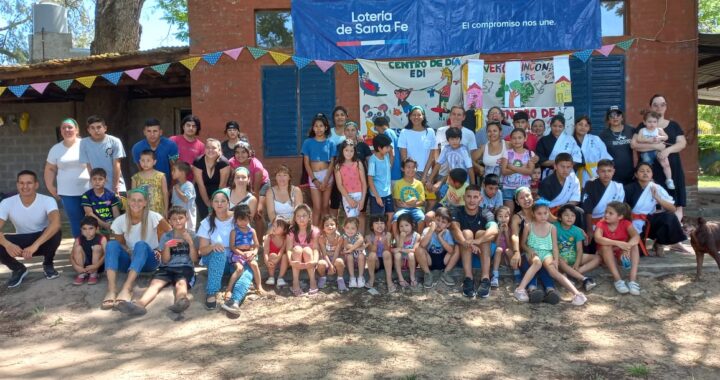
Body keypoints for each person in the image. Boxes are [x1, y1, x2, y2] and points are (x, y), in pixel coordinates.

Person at [116, 206, 198, 316]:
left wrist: (190, 243)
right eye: (174, 219)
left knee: (181, 283)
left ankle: (181, 300)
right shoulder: (166, 236)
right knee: (155, 284)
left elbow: (194, 259)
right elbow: (164, 260)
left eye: (180, 218)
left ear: (186, 218)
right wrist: (167, 247)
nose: (178, 221)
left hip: (185, 267)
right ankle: (140, 304)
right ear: (169, 221)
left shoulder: (192, 235)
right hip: (167, 267)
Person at [103, 188, 171, 309]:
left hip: (150, 261)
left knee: (141, 244)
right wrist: (129, 251)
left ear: (145, 203)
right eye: (133, 200)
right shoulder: (120, 221)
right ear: (128, 201)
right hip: (130, 259)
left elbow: (170, 234)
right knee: (111, 244)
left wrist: (160, 250)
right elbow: (121, 244)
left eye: (140, 200)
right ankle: (111, 289)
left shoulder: (154, 217)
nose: (136, 203)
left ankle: (127, 288)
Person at [516, 202, 587, 306]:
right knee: (537, 263)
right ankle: (520, 289)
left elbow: (554, 246)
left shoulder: (552, 228)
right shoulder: (528, 226)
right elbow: (522, 244)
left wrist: (556, 260)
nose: (543, 216)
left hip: (547, 253)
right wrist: (529, 250)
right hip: (533, 251)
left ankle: (577, 294)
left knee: (553, 271)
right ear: (533, 213)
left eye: (545, 213)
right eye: (539, 213)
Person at [0, 170, 62, 288]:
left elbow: (56, 223)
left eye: (29, 183)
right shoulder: (6, 203)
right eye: (21, 183)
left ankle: (48, 264)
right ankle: (18, 269)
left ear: (36, 185)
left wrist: (35, 245)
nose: (25, 186)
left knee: (56, 231)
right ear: (17, 185)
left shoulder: (47, 200)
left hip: (42, 241)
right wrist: (7, 244)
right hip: (20, 244)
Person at [632, 94, 687, 221]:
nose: (659, 107)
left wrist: (667, 150)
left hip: (671, 170)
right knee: (653, 204)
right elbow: (634, 145)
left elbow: (682, 143)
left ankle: (675, 234)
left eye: (662, 104)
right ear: (650, 107)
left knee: (676, 204)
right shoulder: (643, 125)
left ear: (666, 107)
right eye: (655, 105)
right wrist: (656, 146)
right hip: (650, 171)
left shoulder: (674, 125)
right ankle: (657, 236)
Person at [198, 189, 253, 311]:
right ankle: (212, 292)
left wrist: (251, 252)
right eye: (216, 201)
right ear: (212, 204)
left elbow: (250, 239)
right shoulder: (207, 223)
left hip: (235, 259)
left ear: (228, 203)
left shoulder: (238, 218)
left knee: (248, 272)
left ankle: (235, 300)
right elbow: (201, 251)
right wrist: (213, 246)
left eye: (223, 201)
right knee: (219, 252)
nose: (219, 204)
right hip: (215, 260)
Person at [624, 162, 686, 257]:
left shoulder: (656, 188)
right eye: (642, 171)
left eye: (648, 171)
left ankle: (659, 243)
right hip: (631, 223)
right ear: (636, 174)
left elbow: (673, 209)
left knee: (670, 217)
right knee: (638, 254)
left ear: (652, 174)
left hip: (649, 221)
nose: (645, 173)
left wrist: (658, 199)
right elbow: (622, 209)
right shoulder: (628, 188)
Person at [509, 187, 558, 304]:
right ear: (517, 202)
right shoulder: (517, 217)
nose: (526, 199)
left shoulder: (541, 210)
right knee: (530, 260)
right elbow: (515, 235)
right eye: (521, 198)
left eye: (528, 195)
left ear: (532, 196)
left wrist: (578, 229)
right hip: (524, 250)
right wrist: (516, 252)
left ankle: (550, 290)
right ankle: (532, 289)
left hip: (543, 249)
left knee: (545, 262)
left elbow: (557, 221)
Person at [450, 184, 499, 298]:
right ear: (464, 197)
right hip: (463, 254)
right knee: (466, 233)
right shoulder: (457, 211)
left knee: (482, 233)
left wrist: (477, 241)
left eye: (475, 197)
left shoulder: (486, 212)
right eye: (469, 197)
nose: (472, 200)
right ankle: (468, 278)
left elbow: (494, 230)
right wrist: (467, 242)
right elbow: (455, 229)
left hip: (483, 254)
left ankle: (485, 278)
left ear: (480, 198)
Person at [44, 118, 89, 238]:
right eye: (64, 128)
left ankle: (96, 249)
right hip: (67, 192)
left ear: (77, 129)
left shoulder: (86, 144)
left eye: (70, 127)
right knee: (75, 221)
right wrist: (50, 187)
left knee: (92, 220)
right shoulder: (56, 149)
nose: (67, 130)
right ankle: (79, 249)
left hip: (89, 190)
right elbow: (50, 169)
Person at [594, 201, 641, 295]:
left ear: (620, 217)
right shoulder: (601, 224)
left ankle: (632, 280)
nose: (606, 215)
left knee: (635, 246)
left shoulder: (626, 223)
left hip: (621, 255)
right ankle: (618, 280)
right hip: (605, 255)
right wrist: (618, 243)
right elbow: (598, 239)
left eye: (610, 213)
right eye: (606, 212)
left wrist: (627, 247)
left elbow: (636, 237)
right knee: (606, 246)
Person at [224, 205, 262, 314]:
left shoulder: (252, 231)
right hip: (237, 253)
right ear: (236, 219)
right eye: (240, 220)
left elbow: (256, 245)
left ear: (249, 219)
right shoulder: (234, 231)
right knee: (239, 269)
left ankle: (259, 286)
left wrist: (253, 252)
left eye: (246, 220)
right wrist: (241, 254)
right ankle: (229, 289)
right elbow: (232, 246)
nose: (243, 222)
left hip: (249, 252)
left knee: (254, 265)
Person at [582, 159, 625, 250]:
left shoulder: (618, 187)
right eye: (603, 171)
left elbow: (620, 210)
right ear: (597, 172)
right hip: (593, 223)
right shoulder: (590, 184)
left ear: (613, 171)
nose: (606, 174)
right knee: (590, 248)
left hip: (611, 222)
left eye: (609, 171)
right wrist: (589, 230)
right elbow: (587, 209)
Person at [553, 204, 599, 290]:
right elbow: (553, 246)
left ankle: (573, 273)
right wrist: (558, 257)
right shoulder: (554, 227)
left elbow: (579, 249)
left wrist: (577, 263)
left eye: (573, 216)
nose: (570, 218)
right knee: (558, 261)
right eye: (566, 215)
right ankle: (581, 278)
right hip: (560, 257)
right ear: (559, 217)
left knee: (598, 258)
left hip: (573, 256)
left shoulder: (577, 231)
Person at [399, 106, 437, 207]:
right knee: (412, 201)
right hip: (411, 174)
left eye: (419, 115)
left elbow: (432, 156)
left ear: (423, 116)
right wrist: (411, 174)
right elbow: (404, 157)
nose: (416, 117)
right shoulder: (404, 132)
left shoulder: (430, 132)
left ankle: (426, 221)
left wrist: (425, 175)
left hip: (427, 173)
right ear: (410, 117)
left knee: (430, 200)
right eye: (413, 115)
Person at [302, 113, 336, 226]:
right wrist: (314, 180)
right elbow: (306, 163)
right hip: (314, 176)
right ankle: (315, 234)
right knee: (317, 207)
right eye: (316, 126)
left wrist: (326, 179)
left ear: (326, 127)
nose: (318, 128)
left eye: (321, 126)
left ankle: (326, 233)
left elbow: (332, 163)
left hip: (327, 176)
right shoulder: (308, 142)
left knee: (325, 206)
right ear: (313, 128)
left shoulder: (330, 143)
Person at [79, 115, 127, 195]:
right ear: (88, 130)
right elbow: (88, 165)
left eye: (99, 127)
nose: (96, 130)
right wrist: (94, 184)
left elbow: (117, 164)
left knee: (118, 207)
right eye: (92, 128)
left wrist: (115, 186)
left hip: (116, 185)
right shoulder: (84, 143)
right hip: (97, 186)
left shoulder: (115, 141)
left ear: (105, 128)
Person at [415, 207, 459, 289]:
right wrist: (431, 230)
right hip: (429, 260)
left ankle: (446, 273)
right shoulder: (427, 230)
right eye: (438, 220)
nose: (439, 223)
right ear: (433, 219)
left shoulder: (447, 233)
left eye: (443, 222)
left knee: (457, 248)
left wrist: (440, 238)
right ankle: (428, 274)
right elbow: (422, 245)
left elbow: (451, 250)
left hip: (444, 260)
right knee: (418, 249)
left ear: (448, 225)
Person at [538, 153, 583, 227]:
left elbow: (575, 200)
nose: (565, 170)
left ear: (572, 167)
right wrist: (556, 218)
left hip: (564, 209)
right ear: (555, 166)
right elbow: (542, 205)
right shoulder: (547, 183)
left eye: (568, 167)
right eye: (562, 166)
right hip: (549, 212)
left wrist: (563, 210)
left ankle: (579, 236)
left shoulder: (573, 179)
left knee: (579, 211)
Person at [131, 118, 178, 189]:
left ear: (160, 132)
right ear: (144, 132)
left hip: (167, 185)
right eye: (149, 131)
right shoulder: (137, 148)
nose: (152, 134)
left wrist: (172, 188)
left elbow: (174, 168)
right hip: (147, 187)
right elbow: (141, 169)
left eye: (155, 131)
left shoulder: (171, 145)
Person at [193, 138, 231, 224]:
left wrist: (215, 202)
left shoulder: (224, 163)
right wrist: (208, 204)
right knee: (205, 217)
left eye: (213, 148)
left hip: (219, 190)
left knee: (218, 215)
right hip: (202, 191)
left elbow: (222, 185)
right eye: (208, 147)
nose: (210, 150)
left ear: (219, 150)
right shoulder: (198, 162)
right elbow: (200, 185)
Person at [228, 141, 270, 218]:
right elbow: (233, 181)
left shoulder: (257, 166)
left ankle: (260, 229)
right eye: (237, 152)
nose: (240, 155)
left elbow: (255, 190)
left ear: (249, 153)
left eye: (243, 152)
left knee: (258, 213)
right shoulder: (231, 162)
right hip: (244, 183)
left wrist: (256, 206)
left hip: (261, 185)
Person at [428, 127, 475, 193]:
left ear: (460, 139)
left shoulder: (464, 150)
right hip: (451, 181)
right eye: (452, 139)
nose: (454, 141)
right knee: (445, 196)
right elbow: (438, 164)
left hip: (464, 182)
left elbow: (470, 168)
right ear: (448, 140)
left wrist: (473, 186)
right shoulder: (446, 149)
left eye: (457, 139)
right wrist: (429, 180)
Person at [287, 204, 320, 297]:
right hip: (296, 258)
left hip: (309, 258)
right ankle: (295, 282)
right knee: (297, 249)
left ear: (309, 216)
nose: (301, 218)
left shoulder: (314, 230)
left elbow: (315, 248)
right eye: (298, 216)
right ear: (295, 217)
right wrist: (291, 261)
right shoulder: (291, 231)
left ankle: (313, 281)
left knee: (307, 250)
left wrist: (315, 261)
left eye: (304, 215)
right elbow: (289, 249)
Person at [501, 128, 537, 209]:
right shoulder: (507, 153)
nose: (517, 140)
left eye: (520, 138)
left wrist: (511, 166)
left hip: (524, 187)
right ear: (510, 139)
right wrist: (523, 167)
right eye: (514, 138)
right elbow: (503, 171)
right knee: (509, 212)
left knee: (526, 212)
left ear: (525, 138)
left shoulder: (530, 154)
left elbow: (530, 171)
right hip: (508, 187)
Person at [636, 111, 673, 189]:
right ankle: (650, 180)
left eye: (654, 122)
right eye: (649, 122)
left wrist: (660, 137)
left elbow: (666, 137)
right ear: (644, 122)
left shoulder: (659, 130)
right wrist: (648, 140)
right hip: (646, 151)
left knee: (665, 163)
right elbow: (639, 139)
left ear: (657, 122)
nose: (652, 124)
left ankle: (669, 179)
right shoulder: (642, 130)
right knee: (647, 166)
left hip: (658, 151)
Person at [599, 106, 635, 184]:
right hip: (612, 175)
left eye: (618, 115)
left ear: (622, 117)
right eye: (611, 115)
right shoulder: (603, 135)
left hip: (630, 175)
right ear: (608, 119)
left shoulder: (631, 130)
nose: (615, 117)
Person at [573, 116, 612, 187]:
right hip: (576, 173)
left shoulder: (596, 139)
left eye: (586, 125)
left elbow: (605, 157)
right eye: (580, 124)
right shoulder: (569, 140)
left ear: (589, 128)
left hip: (595, 172)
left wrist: (603, 173)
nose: (583, 127)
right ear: (575, 125)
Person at [81, 168, 121, 234]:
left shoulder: (111, 195)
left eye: (100, 179)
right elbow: (89, 213)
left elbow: (116, 212)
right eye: (94, 179)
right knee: (91, 226)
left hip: (109, 221)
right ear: (90, 180)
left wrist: (118, 224)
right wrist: (104, 225)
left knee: (117, 227)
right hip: (95, 222)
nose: (97, 181)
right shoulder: (86, 196)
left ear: (105, 180)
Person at [335, 140, 367, 219]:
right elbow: (339, 185)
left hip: (359, 195)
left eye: (351, 151)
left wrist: (362, 200)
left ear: (354, 152)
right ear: (342, 150)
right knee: (350, 219)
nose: (349, 153)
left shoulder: (358, 163)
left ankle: (359, 232)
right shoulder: (338, 166)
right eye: (346, 150)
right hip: (347, 195)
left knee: (359, 218)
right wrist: (348, 199)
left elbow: (364, 182)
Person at [367, 134, 395, 228]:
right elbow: (370, 180)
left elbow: (392, 157)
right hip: (377, 195)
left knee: (390, 215)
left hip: (388, 193)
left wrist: (390, 150)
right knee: (378, 220)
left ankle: (386, 235)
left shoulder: (386, 156)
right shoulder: (372, 160)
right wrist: (377, 197)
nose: (389, 148)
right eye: (387, 147)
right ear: (379, 148)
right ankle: (377, 240)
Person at [392, 158, 426, 234]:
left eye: (413, 167)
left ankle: (418, 240)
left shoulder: (419, 184)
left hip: (416, 209)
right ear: (402, 169)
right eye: (408, 167)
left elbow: (422, 201)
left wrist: (409, 205)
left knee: (422, 218)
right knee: (395, 218)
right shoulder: (398, 183)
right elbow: (397, 202)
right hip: (402, 209)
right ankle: (397, 241)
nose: (411, 169)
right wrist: (408, 205)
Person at [71, 216, 106, 286]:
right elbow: (72, 255)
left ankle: (94, 274)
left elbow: (107, 254)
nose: (87, 231)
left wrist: (96, 265)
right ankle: (82, 274)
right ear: (81, 229)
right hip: (83, 267)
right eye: (84, 229)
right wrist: (75, 266)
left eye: (91, 228)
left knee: (97, 247)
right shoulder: (78, 239)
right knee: (77, 248)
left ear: (97, 229)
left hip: (97, 265)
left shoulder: (102, 238)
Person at [131, 150, 169, 215]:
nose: (145, 163)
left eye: (148, 160)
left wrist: (166, 209)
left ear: (154, 162)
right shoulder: (135, 178)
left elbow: (165, 193)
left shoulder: (161, 176)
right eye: (143, 161)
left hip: (158, 212)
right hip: (142, 212)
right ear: (139, 161)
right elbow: (133, 195)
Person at [316, 215, 347, 292]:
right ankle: (323, 277)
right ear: (323, 227)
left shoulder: (339, 237)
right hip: (326, 258)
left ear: (336, 226)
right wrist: (330, 265)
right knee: (321, 263)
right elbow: (324, 253)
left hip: (336, 258)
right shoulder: (321, 238)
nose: (330, 226)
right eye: (327, 225)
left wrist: (332, 265)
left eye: (332, 224)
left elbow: (337, 252)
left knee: (340, 261)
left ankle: (340, 278)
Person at [170, 114, 204, 182]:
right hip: (173, 180)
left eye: (194, 126)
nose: (191, 128)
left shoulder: (201, 146)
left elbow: (201, 167)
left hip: (191, 182)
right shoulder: (173, 140)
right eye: (188, 125)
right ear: (183, 127)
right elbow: (168, 159)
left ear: (197, 129)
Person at [365, 214, 393, 294]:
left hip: (387, 261)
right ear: (372, 226)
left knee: (386, 252)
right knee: (372, 255)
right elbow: (372, 250)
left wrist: (385, 242)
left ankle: (389, 280)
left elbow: (388, 249)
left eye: (382, 223)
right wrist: (375, 243)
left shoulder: (388, 235)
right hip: (375, 262)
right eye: (376, 223)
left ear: (385, 225)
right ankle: (372, 278)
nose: (379, 225)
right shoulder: (368, 237)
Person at [392, 213, 421, 289]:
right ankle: (400, 278)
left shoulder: (417, 236)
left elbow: (414, 250)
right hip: (401, 261)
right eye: (401, 226)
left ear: (412, 225)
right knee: (397, 255)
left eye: (406, 225)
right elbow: (398, 249)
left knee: (411, 254)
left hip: (411, 261)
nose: (404, 228)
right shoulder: (398, 236)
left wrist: (401, 249)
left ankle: (412, 276)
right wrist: (401, 238)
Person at [373, 116, 402, 184]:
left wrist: (389, 169)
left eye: (376, 128)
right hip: (395, 170)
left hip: (393, 171)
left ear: (377, 126)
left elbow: (392, 153)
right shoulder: (391, 132)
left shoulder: (387, 132)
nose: (377, 130)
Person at [263, 216, 290, 287]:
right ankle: (271, 277)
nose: (275, 228)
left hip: (281, 260)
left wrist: (278, 259)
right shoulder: (268, 237)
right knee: (272, 254)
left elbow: (282, 250)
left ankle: (280, 278)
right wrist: (266, 261)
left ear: (284, 230)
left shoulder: (285, 238)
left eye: (278, 226)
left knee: (285, 256)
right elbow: (266, 251)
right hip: (271, 261)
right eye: (274, 225)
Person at [490, 206, 513, 288]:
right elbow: (495, 245)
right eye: (500, 216)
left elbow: (510, 246)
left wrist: (506, 232)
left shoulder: (511, 229)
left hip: (506, 258)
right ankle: (495, 276)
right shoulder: (494, 229)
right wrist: (499, 232)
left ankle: (517, 273)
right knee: (499, 249)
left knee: (508, 250)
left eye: (506, 216)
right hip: (497, 258)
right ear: (496, 217)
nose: (503, 219)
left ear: (509, 217)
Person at [341, 217, 366, 288]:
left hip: (359, 259)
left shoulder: (358, 235)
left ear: (357, 229)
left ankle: (360, 277)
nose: (350, 230)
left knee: (361, 256)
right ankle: (352, 278)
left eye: (353, 228)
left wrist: (351, 249)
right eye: (347, 228)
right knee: (349, 256)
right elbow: (346, 245)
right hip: (349, 260)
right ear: (344, 228)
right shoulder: (344, 236)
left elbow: (361, 241)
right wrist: (356, 248)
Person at [171, 161, 197, 230]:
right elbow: (173, 203)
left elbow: (185, 199)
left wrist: (177, 189)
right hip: (177, 220)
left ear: (182, 173)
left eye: (174, 170)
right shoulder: (175, 187)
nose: (172, 173)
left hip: (188, 221)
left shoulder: (189, 185)